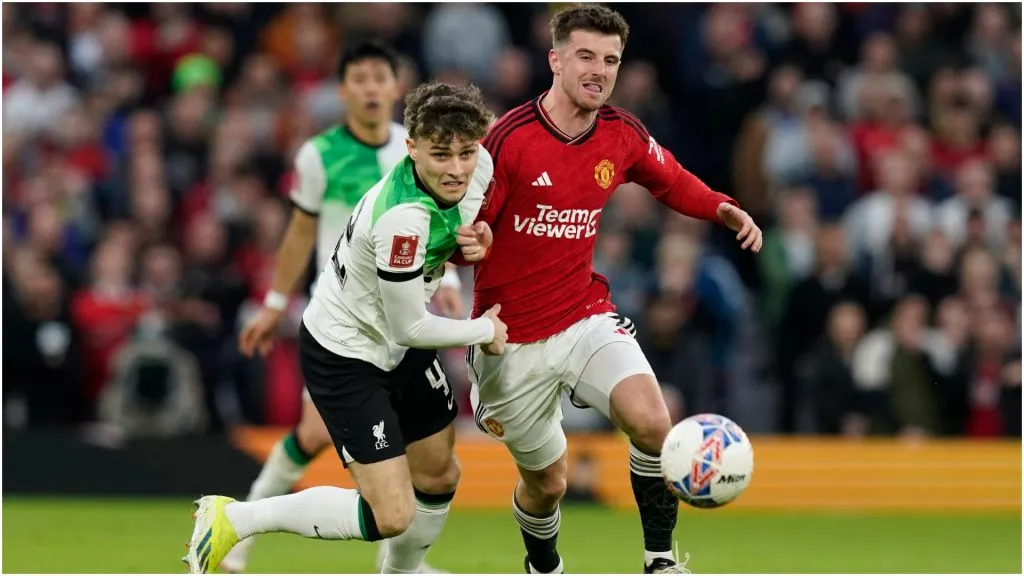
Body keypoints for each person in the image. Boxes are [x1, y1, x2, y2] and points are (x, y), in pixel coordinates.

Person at [453, 5, 763, 574]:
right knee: (548, 484)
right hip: (509, 339)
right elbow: (462, 233)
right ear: (555, 60)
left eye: (611, 60)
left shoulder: (620, 132)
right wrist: (468, 244)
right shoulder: (508, 140)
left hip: (583, 315)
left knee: (652, 421)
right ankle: (543, 564)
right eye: (586, 57)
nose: (599, 70)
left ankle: (660, 561)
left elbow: (670, 178)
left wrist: (720, 206)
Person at [184, 81, 505, 574]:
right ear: (412, 148)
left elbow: (453, 234)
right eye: (442, 155)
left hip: (396, 339)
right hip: (347, 352)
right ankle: (236, 518)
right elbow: (410, 327)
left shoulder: (477, 166)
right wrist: (482, 331)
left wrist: (474, 243)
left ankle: (400, 573)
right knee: (391, 514)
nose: (457, 168)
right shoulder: (400, 219)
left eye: (466, 153)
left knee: (440, 474)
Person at [224, 41, 461, 574]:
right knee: (314, 435)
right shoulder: (319, 155)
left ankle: (399, 562)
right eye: (360, 79)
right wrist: (275, 302)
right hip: (343, 321)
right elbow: (299, 232)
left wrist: (446, 276)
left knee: (430, 457)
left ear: (396, 86)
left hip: (403, 314)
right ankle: (242, 525)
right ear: (344, 90)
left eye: (380, 78)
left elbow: (437, 223)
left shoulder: (415, 148)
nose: (371, 89)